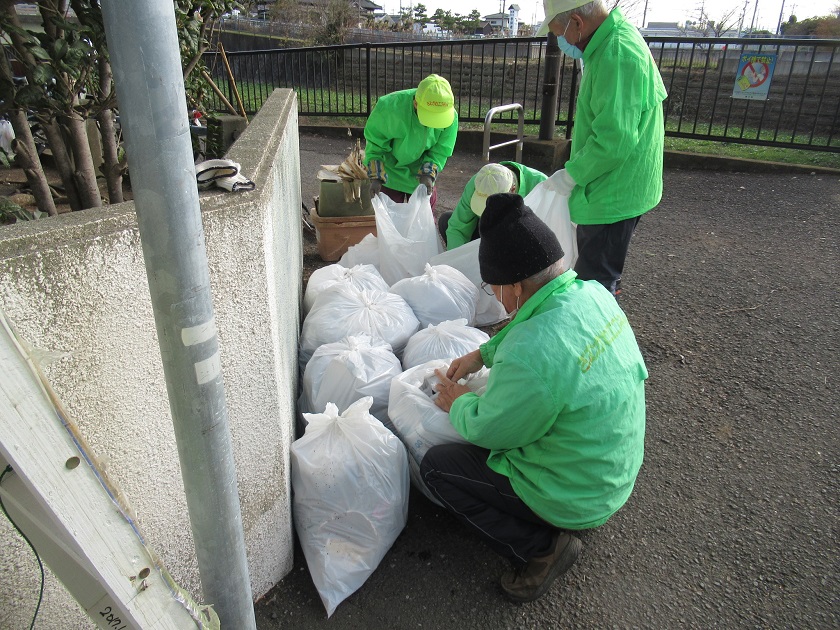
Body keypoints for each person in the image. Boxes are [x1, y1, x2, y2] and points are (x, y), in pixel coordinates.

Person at [421, 192, 647, 603]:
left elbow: (489, 429)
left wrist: (458, 403)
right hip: (612, 474)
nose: (494, 295)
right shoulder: (593, 295)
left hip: (576, 495)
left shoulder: (531, 355)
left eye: (493, 287)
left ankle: (541, 549)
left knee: (439, 468)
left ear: (515, 286)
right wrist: (484, 353)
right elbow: (542, 318)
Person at [538, 0, 667, 299]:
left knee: (594, 284)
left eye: (560, 32)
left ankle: (595, 339)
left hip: (613, 192)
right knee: (596, 271)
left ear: (577, 23)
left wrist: (571, 175)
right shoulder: (611, 41)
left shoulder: (616, 53)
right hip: (615, 184)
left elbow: (613, 141)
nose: (562, 41)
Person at [364, 74, 458, 212]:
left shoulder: (450, 118)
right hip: (391, 173)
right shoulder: (389, 108)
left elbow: (440, 151)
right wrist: (376, 175)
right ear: (415, 103)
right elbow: (375, 144)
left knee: (423, 225)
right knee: (390, 223)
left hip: (422, 176)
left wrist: (428, 175)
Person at [438, 161, 547, 250]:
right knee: (446, 221)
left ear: (513, 190)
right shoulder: (480, 181)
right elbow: (457, 227)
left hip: (523, 242)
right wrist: (455, 267)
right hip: (489, 234)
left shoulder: (542, 185)